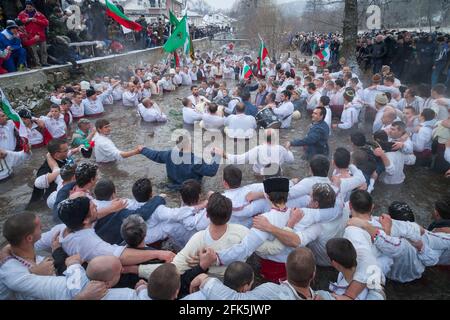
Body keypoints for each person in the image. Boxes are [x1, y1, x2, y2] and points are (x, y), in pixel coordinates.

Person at [195, 248, 326, 300]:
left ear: (286, 267)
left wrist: (205, 279)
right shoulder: (324, 296)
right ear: (313, 274)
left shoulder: (271, 291)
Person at [138, 134, 220, 190]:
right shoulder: (196, 160)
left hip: (172, 186)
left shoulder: (169, 154)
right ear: (188, 145)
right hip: (191, 190)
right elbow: (211, 171)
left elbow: (155, 155)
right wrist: (217, 156)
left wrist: (143, 150)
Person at [219, 129, 294, 177]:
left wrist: (223, 153)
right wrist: (287, 149)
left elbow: (239, 159)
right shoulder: (282, 149)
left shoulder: (258, 149)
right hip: (277, 175)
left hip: (260, 175)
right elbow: (291, 160)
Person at [18, 0, 49, 67]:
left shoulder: (39, 14)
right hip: (30, 36)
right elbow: (18, 22)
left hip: (41, 35)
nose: (28, 8)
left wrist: (37, 20)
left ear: (33, 7)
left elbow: (46, 22)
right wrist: (26, 20)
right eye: (27, 7)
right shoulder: (21, 14)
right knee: (33, 51)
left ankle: (44, 62)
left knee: (44, 50)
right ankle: (37, 64)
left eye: (30, 7)